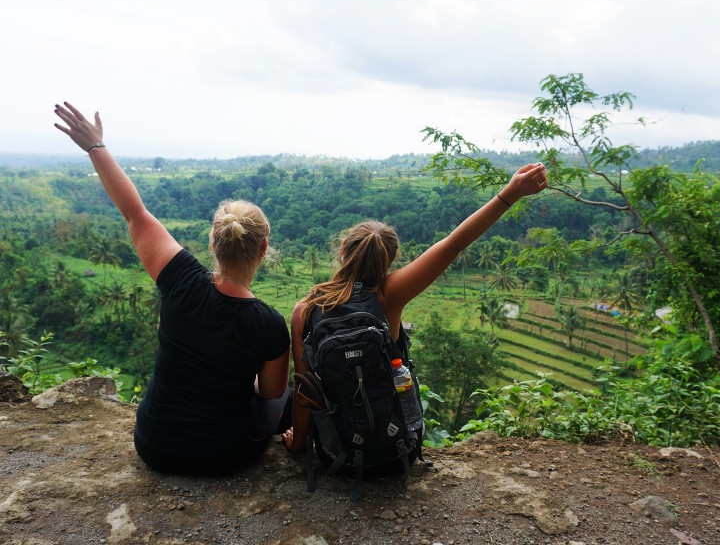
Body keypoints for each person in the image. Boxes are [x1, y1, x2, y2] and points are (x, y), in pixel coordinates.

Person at [53, 102, 290, 474]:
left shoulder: (180, 279)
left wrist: (96, 147)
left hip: (155, 445)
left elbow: (135, 213)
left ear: (213, 243)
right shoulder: (269, 324)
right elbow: (271, 392)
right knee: (284, 396)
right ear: (263, 250)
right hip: (225, 456)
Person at [282, 161, 549, 461]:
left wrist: (296, 444)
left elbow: (304, 390)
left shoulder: (304, 309)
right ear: (390, 261)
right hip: (396, 449)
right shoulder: (390, 296)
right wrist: (510, 193)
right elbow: (453, 244)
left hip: (339, 453)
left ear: (343, 248)